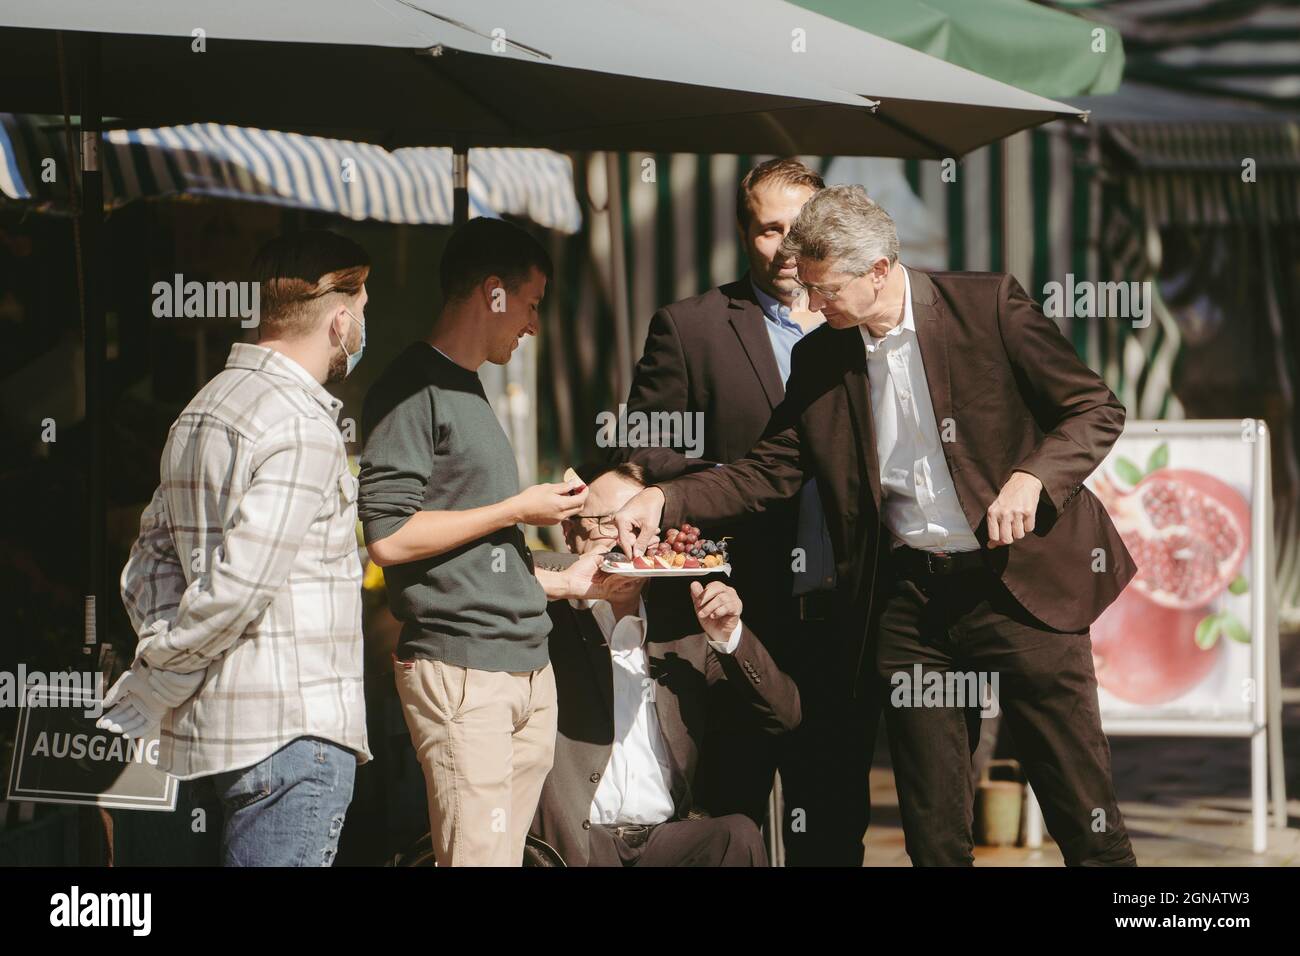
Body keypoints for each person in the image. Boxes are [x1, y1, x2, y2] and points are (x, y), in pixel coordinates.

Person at [613, 185, 1139, 867]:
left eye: (824, 289)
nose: (809, 305)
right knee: (932, 825)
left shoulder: (988, 307)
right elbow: (767, 471)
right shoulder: (823, 358)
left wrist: (1034, 478)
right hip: (911, 601)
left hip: (1018, 583)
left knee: (1079, 803)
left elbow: (1094, 408)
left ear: (880, 271)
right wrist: (664, 500)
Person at [613, 157, 879, 864]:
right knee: (733, 819)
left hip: (841, 618)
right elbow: (647, 445)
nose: (787, 246)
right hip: (732, 615)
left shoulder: (861, 327)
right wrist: (734, 482)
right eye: (769, 229)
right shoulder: (692, 326)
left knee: (834, 824)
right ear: (743, 231)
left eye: (800, 228)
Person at [108, 229, 373, 866]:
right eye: (364, 313)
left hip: (205, 739)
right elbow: (240, 589)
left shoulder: (199, 410)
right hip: (291, 735)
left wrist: (163, 657)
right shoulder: (305, 424)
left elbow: (146, 564)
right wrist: (163, 673)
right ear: (340, 322)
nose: (365, 327)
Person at [358, 217, 604, 867]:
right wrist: (515, 508)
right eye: (530, 303)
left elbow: (471, 558)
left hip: (520, 664)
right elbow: (388, 538)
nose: (532, 323)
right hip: (463, 668)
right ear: (493, 293)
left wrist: (563, 579)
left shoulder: (467, 388)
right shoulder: (414, 388)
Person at [528, 463, 800, 867]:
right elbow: (490, 576)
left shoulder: (684, 625)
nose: (626, 539)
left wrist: (729, 636)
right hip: (578, 842)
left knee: (735, 837)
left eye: (637, 525)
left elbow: (785, 714)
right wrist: (562, 584)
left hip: (663, 841)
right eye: (608, 523)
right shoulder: (544, 611)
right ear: (570, 533)